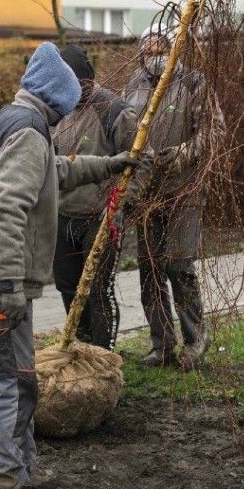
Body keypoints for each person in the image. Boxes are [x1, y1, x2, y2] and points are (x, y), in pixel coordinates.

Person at [0, 42, 138, 489]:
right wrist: (9, 287)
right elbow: (5, 210)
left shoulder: (11, 120)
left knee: (20, 384)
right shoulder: (29, 133)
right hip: (2, 283)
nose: (69, 114)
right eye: (68, 104)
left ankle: (19, 474)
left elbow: (53, 170)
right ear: (56, 97)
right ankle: (2, 482)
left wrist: (109, 165)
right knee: (13, 387)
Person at [123, 23, 226, 370]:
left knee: (178, 264)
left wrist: (182, 153)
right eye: (147, 51)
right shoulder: (134, 86)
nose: (153, 57)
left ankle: (196, 338)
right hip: (148, 191)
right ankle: (162, 344)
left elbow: (213, 131)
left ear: (172, 49)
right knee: (149, 268)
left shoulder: (193, 83)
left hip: (184, 188)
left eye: (159, 50)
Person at [53, 45, 152, 351]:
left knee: (97, 291)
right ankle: (81, 348)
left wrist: (119, 204)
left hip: (100, 216)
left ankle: (103, 355)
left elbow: (144, 161)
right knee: (67, 286)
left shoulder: (114, 110)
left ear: (86, 80)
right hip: (63, 215)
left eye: (74, 82)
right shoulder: (57, 108)